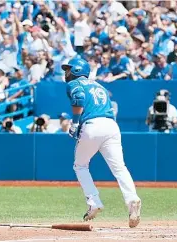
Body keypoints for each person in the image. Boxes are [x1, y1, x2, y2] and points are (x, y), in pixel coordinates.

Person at [61, 57, 141, 227]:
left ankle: (94, 201)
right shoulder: (100, 86)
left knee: (80, 165)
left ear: (76, 70)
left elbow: (79, 98)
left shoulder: (74, 84)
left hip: (92, 125)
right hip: (111, 126)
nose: (66, 72)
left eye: (68, 69)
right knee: (120, 167)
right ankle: (132, 198)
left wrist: (75, 123)